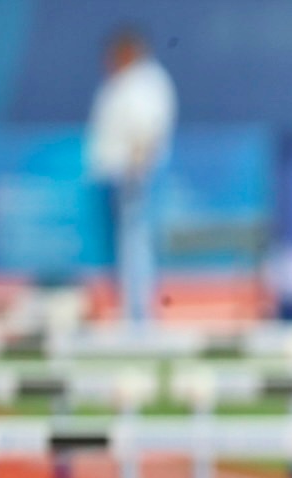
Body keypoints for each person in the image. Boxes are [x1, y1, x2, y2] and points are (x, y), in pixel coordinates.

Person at [85, 26, 176, 324]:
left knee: (135, 246)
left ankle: (138, 315)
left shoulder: (143, 82)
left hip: (133, 177)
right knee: (127, 247)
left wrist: (135, 171)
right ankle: (130, 312)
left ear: (128, 52)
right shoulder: (125, 82)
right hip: (120, 175)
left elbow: (146, 131)